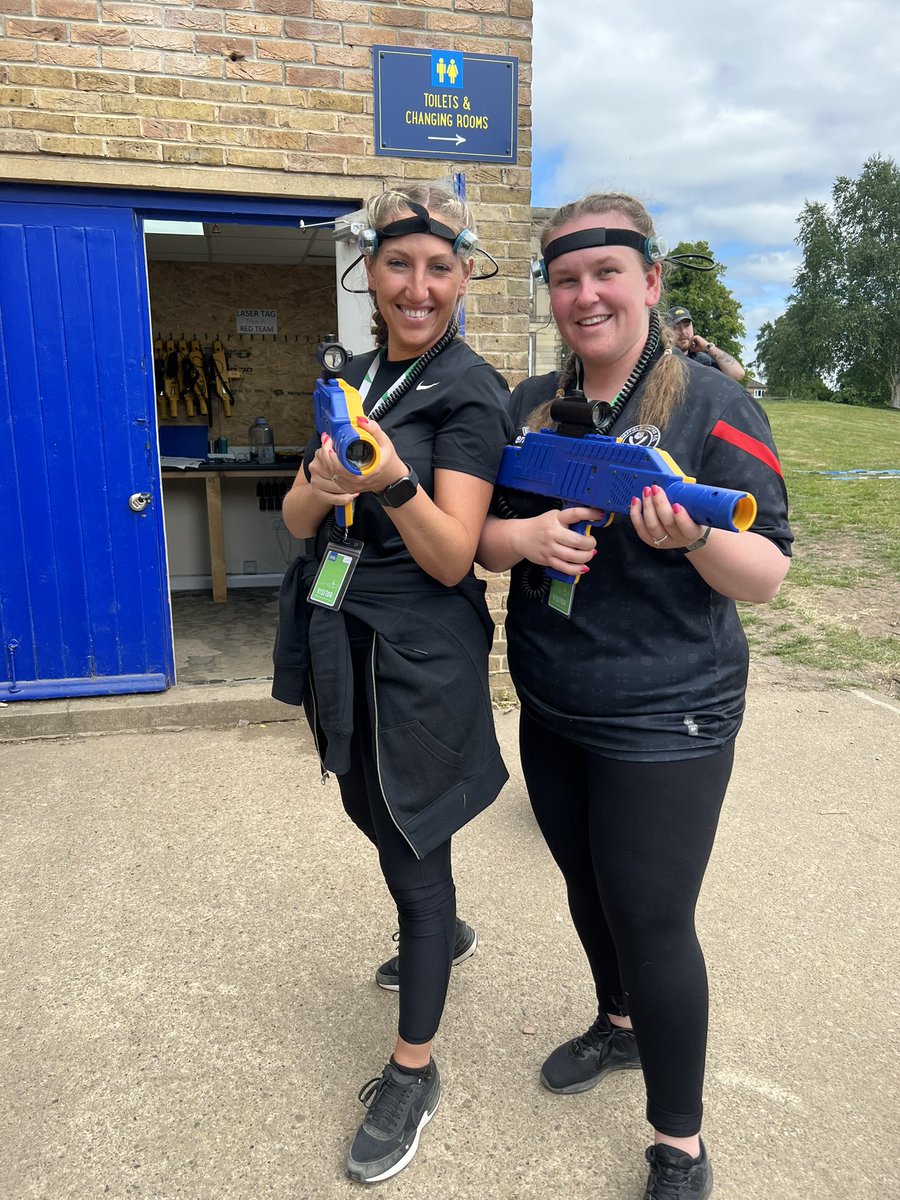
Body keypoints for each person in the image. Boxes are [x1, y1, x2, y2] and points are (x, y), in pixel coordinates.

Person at [478, 193, 792, 1199]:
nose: (585, 295)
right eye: (565, 279)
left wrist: (697, 537)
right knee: (586, 886)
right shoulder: (531, 401)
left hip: (669, 715)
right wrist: (523, 540)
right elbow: (485, 531)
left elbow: (768, 572)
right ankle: (617, 1024)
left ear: (650, 283)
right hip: (555, 700)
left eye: (605, 273)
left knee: (654, 918)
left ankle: (679, 1145)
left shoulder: (713, 405)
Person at [272, 185, 512, 1184]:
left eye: (439, 268)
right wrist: (323, 487)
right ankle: (442, 927)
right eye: (400, 264)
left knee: (413, 838)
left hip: (418, 651)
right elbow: (292, 520)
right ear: (369, 271)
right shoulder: (358, 373)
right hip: (343, 633)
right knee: (367, 800)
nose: (418, 286)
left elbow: (458, 556)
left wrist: (388, 485)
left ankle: (413, 1070)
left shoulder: (469, 390)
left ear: (462, 279)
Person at [667, 305, 746, 381]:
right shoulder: (661, 359)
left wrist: (708, 347)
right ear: (666, 331)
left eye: (687, 325)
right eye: (676, 327)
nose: (683, 332)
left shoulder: (702, 360)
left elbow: (738, 374)